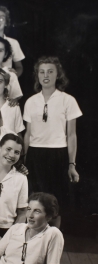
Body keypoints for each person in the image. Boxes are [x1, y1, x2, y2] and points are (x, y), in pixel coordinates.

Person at [23, 56, 82, 223]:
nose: (45, 75)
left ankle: (53, 240)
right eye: (41, 72)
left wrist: (72, 164)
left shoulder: (68, 100)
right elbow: (27, 134)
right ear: (37, 75)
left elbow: (71, 135)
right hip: (35, 155)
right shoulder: (30, 102)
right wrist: (25, 159)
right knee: (35, 200)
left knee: (56, 202)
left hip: (58, 155)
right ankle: (36, 240)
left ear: (58, 75)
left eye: (50, 71)